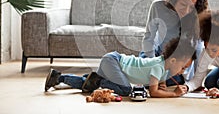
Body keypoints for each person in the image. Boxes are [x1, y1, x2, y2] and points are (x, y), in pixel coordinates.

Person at [45, 37, 197, 97]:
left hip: (113, 63)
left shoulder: (165, 68)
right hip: (114, 62)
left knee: (89, 85)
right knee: (126, 90)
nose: (183, 71)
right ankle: (97, 81)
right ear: (173, 60)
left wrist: (163, 86)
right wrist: (174, 94)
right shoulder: (158, 66)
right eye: (183, 67)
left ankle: (58, 78)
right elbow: (153, 91)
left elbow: (160, 84)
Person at [140, 0, 208, 85]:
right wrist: (153, 64)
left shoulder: (197, 15)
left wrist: (196, 80)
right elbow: (149, 37)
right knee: (143, 76)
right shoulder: (158, 6)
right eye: (183, 4)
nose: (186, 11)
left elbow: (198, 47)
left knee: (168, 79)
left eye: (191, 7)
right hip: (156, 54)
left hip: (177, 60)